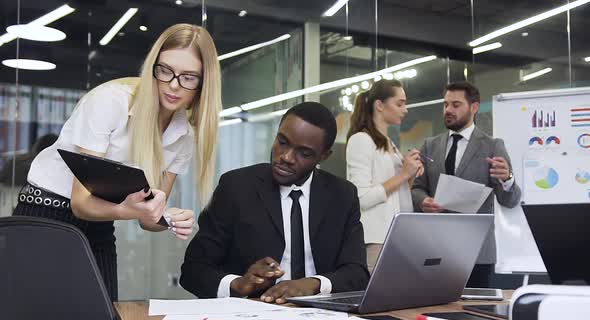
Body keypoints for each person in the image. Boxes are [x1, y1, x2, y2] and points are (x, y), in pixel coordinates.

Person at [12, 23, 222, 301]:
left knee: (104, 319)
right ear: (153, 67)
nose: (173, 84)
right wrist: (131, 211)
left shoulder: (185, 134)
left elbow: (150, 218)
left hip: (100, 222)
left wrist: (167, 217)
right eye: (165, 70)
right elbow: (80, 203)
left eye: (188, 77)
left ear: (204, 82)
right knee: (41, 318)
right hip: (47, 212)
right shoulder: (111, 101)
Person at [180, 102, 369, 303]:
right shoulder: (236, 187)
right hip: (252, 315)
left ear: (324, 156)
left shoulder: (342, 195)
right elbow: (193, 270)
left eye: (303, 153)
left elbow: (357, 273)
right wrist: (238, 284)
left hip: (321, 317)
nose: (286, 157)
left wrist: (313, 284)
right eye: (283, 142)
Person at [411, 81, 521, 287]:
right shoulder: (430, 145)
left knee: (474, 316)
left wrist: (507, 179)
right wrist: (423, 200)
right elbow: (417, 187)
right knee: (435, 311)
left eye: (455, 105)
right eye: (445, 105)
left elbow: (510, 200)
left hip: (477, 252)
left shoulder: (492, 146)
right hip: (435, 249)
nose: (448, 110)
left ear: (474, 107)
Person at [345, 79, 423, 272]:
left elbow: (397, 195)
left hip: (398, 239)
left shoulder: (390, 144)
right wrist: (404, 175)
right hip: (376, 240)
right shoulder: (361, 140)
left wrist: (410, 174)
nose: (405, 109)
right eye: (400, 103)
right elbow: (360, 198)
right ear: (379, 105)